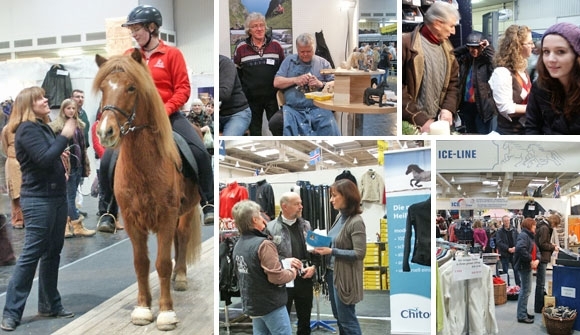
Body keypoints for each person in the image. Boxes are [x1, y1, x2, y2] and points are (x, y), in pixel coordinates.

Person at [97, 5, 214, 232]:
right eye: (131, 29)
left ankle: (208, 202)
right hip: (136, 120)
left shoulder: (172, 54)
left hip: (169, 116)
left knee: (198, 150)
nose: (133, 34)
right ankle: (108, 211)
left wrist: (166, 109)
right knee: (108, 160)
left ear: (152, 28)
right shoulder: (128, 58)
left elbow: (182, 89)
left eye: (136, 29)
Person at [0, 87, 77, 331]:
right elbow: (44, 159)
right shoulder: (27, 130)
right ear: (28, 105)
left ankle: (50, 305)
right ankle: (11, 312)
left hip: (55, 196)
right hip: (39, 200)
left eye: (45, 96)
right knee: (31, 255)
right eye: (40, 98)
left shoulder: (41, 127)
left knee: (53, 252)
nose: (46, 100)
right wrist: (64, 136)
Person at [232, 200, 298, 335]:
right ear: (255, 219)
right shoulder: (264, 244)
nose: (263, 218)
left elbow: (254, 266)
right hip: (271, 304)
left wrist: (283, 260)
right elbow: (276, 277)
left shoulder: (238, 245)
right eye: (260, 215)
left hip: (253, 304)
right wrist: (292, 272)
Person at [313, 179, 366, 335]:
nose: (331, 199)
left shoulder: (356, 222)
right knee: (340, 318)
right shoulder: (339, 217)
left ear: (347, 196)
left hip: (345, 276)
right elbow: (335, 241)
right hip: (332, 273)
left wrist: (331, 252)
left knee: (347, 320)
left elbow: (359, 253)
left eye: (334, 195)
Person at [401, 1, 460, 134]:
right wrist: (420, 120)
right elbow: (398, 88)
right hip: (413, 126)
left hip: (439, 124)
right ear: (438, 23)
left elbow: (453, 83)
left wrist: (448, 109)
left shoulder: (448, 49)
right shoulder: (406, 44)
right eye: (451, 26)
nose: (454, 31)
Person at [267, 192, 316, 335]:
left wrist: (314, 267)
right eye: (297, 204)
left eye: (301, 203)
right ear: (284, 206)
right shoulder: (271, 228)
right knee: (282, 321)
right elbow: (267, 258)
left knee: (305, 320)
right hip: (283, 282)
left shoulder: (306, 225)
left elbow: (314, 252)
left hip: (305, 279)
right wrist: (283, 262)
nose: (301, 207)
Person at [273, 33, 340, 136]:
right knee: (275, 123)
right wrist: (295, 80)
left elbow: (336, 85)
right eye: (302, 52)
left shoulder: (323, 63)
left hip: (318, 108)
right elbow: (276, 82)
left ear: (313, 48)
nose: (305, 54)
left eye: (309, 51)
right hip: (293, 109)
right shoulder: (289, 61)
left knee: (330, 128)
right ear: (297, 49)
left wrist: (321, 84)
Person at [234, 12, 285, 136]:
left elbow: (283, 70)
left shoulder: (276, 46)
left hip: (273, 97)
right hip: (251, 99)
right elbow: (237, 74)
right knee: (255, 130)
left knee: (277, 128)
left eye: (262, 25)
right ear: (249, 30)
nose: (259, 29)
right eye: (255, 26)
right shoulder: (241, 48)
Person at [49, 99, 95, 238]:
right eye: (68, 108)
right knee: (68, 197)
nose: (71, 111)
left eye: (73, 108)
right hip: (65, 167)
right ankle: (74, 224)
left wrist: (85, 166)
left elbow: (82, 148)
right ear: (63, 109)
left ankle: (68, 224)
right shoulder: (57, 127)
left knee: (72, 196)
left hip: (77, 165)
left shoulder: (79, 125)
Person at [525, 22, 580, 134]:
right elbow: (532, 127)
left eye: (560, 52)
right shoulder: (539, 87)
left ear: (576, 54)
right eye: (546, 51)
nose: (551, 59)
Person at [488, 24, 534, 135]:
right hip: (510, 134)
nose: (533, 46)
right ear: (517, 46)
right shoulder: (502, 73)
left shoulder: (522, 70)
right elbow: (506, 108)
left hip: (525, 131)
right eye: (530, 43)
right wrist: (534, 109)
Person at [453, 31, 497, 134]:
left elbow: (496, 64)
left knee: (482, 136)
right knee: (470, 134)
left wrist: (488, 48)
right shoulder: (466, 59)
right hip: (466, 106)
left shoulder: (487, 61)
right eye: (472, 47)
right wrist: (467, 46)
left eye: (477, 47)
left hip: (482, 107)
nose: (474, 50)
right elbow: (452, 55)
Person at [514, 218, 539, 324]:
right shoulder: (524, 236)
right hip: (524, 266)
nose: (535, 227)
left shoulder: (529, 236)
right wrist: (530, 260)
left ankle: (522, 312)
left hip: (527, 265)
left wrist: (537, 259)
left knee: (526, 290)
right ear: (529, 225)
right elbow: (520, 249)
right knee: (525, 291)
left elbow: (536, 250)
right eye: (534, 225)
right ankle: (521, 315)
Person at [219, 54, 251, 136]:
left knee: (225, 142)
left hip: (237, 113)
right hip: (218, 116)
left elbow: (225, 93)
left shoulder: (224, 63)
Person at [70, 89, 89, 218]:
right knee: (71, 187)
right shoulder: (70, 113)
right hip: (72, 153)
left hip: (82, 150)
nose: (80, 99)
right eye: (77, 96)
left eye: (82, 96)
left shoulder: (83, 114)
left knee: (79, 182)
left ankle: (75, 208)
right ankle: (71, 213)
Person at [1, 122, 23, 229]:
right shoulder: (7, 129)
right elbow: (5, 146)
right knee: (15, 192)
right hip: (13, 161)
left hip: (27, 161)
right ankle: (17, 218)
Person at [534, 216, 558, 313]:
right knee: (541, 283)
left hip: (542, 257)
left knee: (540, 283)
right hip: (543, 257)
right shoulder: (545, 228)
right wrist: (552, 247)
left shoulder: (543, 227)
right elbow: (542, 244)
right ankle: (539, 307)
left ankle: (539, 306)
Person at [495, 215, 520, 287]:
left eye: (508, 220)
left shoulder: (514, 230)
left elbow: (519, 239)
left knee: (516, 270)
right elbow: (499, 242)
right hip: (504, 253)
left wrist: (515, 247)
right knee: (505, 271)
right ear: (502, 222)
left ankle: (519, 285)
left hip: (514, 253)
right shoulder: (500, 231)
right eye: (505, 221)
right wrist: (507, 249)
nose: (507, 222)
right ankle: (507, 286)